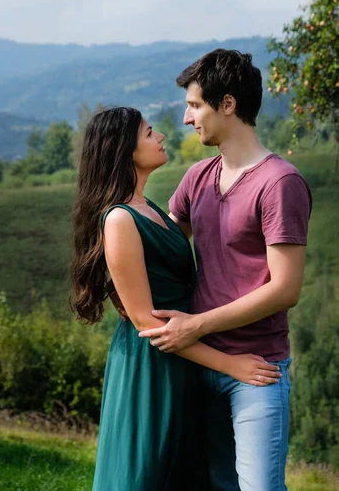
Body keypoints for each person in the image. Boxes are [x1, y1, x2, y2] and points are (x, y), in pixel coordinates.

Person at [70, 106, 282, 491]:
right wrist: (230, 364)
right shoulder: (119, 219)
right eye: (150, 132)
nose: (161, 136)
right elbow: (147, 324)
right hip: (151, 367)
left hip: (182, 360)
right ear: (125, 150)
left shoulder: (149, 208)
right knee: (147, 472)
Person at [139, 49, 312, 491]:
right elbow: (161, 246)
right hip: (199, 366)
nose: (186, 118)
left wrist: (195, 325)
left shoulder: (279, 183)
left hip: (257, 371)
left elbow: (285, 290)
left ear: (229, 104)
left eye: (195, 106)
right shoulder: (197, 178)